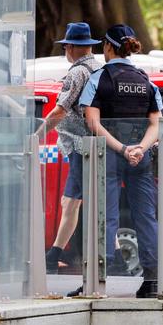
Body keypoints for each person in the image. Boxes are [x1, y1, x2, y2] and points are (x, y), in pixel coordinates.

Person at [76, 24, 163, 298]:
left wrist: (123, 149)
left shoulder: (99, 78)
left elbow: (92, 121)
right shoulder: (145, 79)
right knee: (146, 216)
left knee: (105, 215)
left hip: (110, 155)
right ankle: (153, 279)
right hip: (142, 156)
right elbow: (156, 124)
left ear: (109, 47)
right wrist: (140, 149)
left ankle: (97, 281)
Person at [35, 22, 103, 274]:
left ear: (72, 47)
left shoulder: (76, 74)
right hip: (100, 143)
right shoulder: (100, 68)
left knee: (71, 201)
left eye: (65, 46)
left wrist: (38, 134)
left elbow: (60, 110)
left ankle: (54, 255)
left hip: (79, 145)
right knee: (95, 200)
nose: (65, 50)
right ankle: (114, 253)